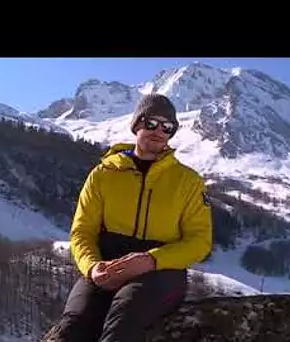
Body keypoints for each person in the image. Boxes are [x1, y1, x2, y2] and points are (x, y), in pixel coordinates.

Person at [50, 93, 213, 342]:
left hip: (162, 270)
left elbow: (200, 242)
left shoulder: (188, 182)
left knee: (123, 321)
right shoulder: (103, 174)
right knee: (73, 325)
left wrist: (151, 260)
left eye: (167, 127)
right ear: (137, 124)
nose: (158, 131)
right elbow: (82, 231)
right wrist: (92, 267)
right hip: (107, 262)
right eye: (151, 123)